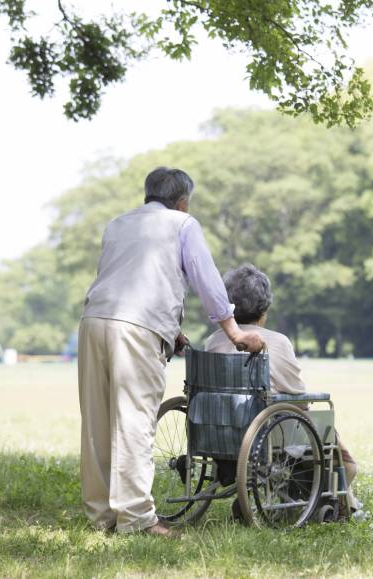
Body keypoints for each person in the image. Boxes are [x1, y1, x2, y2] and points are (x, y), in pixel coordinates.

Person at [78, 167, 264, 538]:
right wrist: (234, 331)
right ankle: (137, 519)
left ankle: (101, 517)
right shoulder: (182, 223)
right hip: (137, 329)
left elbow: (125, 278)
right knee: (134, 421)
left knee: (97, 424)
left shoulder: (118, 224)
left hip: (94, 320)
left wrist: (172, 328)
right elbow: (206, 280)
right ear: (182, 201)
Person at [205, 263, 362, 516]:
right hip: (269, 435)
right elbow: (298, 397)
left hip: (220, 431)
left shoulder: (212, 342)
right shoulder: (277, 342)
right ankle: (344, 503)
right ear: (264, 309)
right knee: (341, 455)